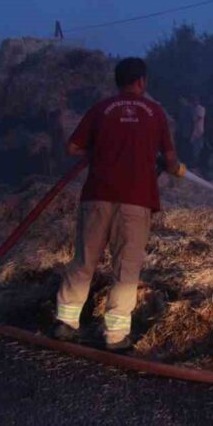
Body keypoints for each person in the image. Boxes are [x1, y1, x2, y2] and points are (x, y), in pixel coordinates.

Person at [53, 58, 185, 349]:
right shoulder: (155, 111)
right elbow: (171, 158)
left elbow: (73, 147)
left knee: (84, 260)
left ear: (118, 81)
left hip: (98, 195)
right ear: (142, 81)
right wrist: (175, 169)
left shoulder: (101, 109)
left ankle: (66, 322)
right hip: (135, 201)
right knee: (126, 267)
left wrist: (103, 149)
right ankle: (115, 335)